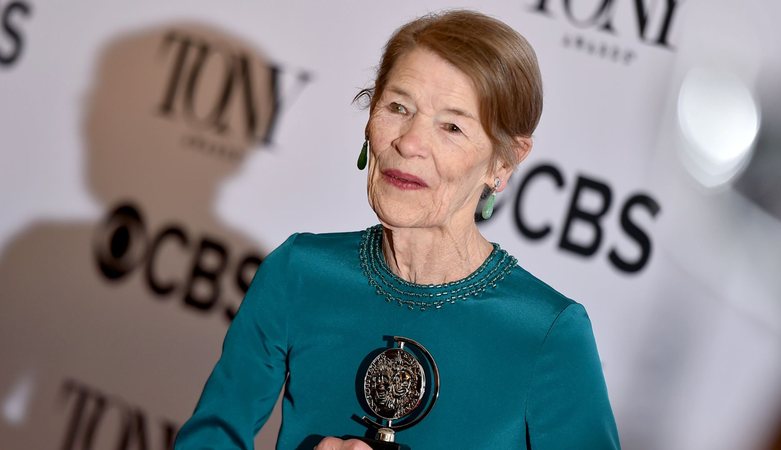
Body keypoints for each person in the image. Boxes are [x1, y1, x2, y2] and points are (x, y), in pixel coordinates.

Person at [174, 10, 620, 450]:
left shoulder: (548, 334)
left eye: (451, 126)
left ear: (503, 162)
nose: (409, 142)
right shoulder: (298, 273)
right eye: (397, 107)